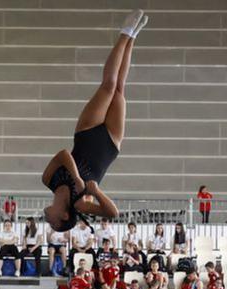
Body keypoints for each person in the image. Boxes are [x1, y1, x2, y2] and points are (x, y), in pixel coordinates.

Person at [41, 10, 149, 231]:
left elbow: (62, 154)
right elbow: (113, 212)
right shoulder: (80, 202)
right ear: (63, 215)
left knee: (108, 86)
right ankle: (133, 38)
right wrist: (97, 192)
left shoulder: (48, 179)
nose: (46, 220)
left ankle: (125, 32)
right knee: (119, 89)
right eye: (52, 223)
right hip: (109, 145)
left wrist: (76, 178)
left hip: (87, 133)